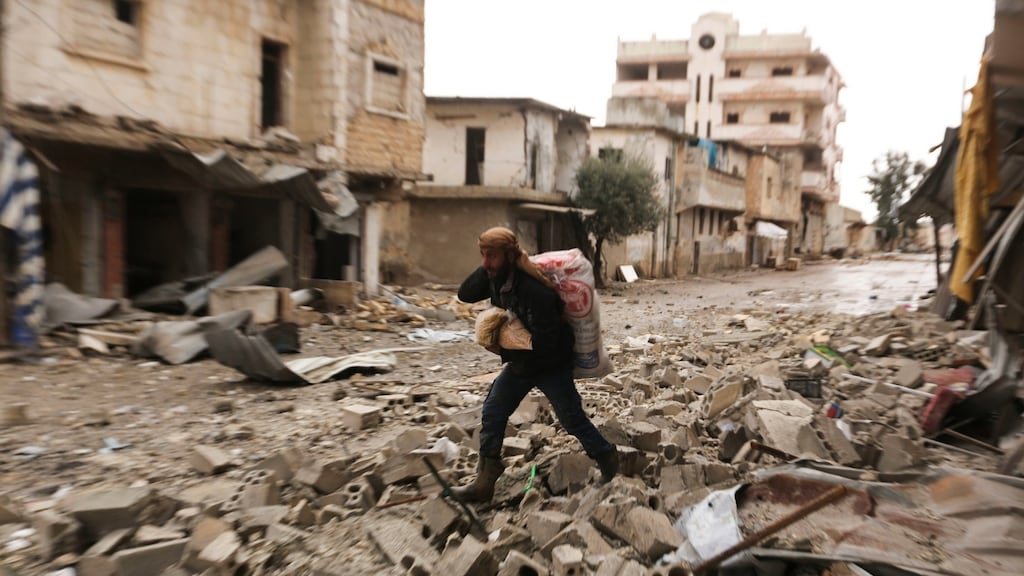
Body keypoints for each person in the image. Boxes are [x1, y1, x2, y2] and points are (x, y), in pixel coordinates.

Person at [454, 226, 619, 502]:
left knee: (571, 419)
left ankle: (607, 458)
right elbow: (465, 293)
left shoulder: (535, 290)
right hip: (522, 361)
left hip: (551, 362)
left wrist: (503, 344)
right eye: (482, 255)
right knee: (494, 411)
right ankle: (486, 479)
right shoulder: (497, 276)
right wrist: (488, 267)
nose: (485, 262)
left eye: (491, 256)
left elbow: (548, 342)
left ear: (508, 255)